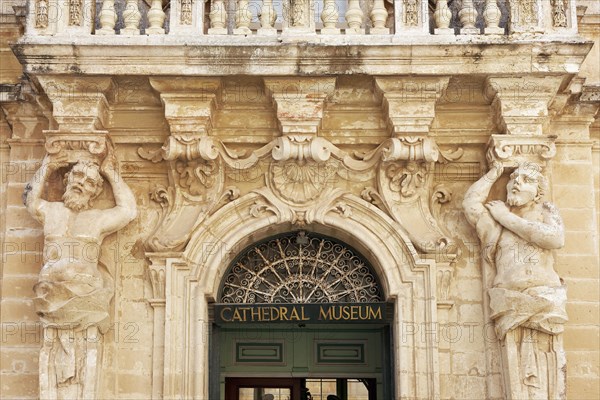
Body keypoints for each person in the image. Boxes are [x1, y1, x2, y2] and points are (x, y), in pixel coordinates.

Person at [24, 148, 137, 398]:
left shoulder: (97, 219)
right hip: (50, 296)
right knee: (53, 355)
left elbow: (128, 210)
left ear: (96, 192)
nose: (81, 184)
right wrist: (48, 165)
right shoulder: (51, 212)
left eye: (89, 182)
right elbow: (30, 200)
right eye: (77, 177)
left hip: (86, 297)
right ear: (67, 179)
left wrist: (110, 174)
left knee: (84, 358)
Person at [463, 161, 567, 399]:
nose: (516, 183)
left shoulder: (545, 211)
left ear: (538, 192)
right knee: (513, 371)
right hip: (509, 303)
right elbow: (470, 205)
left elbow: (555, 238)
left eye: (525, 180)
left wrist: (505, 217)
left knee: (548, 368)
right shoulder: (495, 227)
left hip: (544, 300)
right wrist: (493, 174)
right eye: (514, 179)